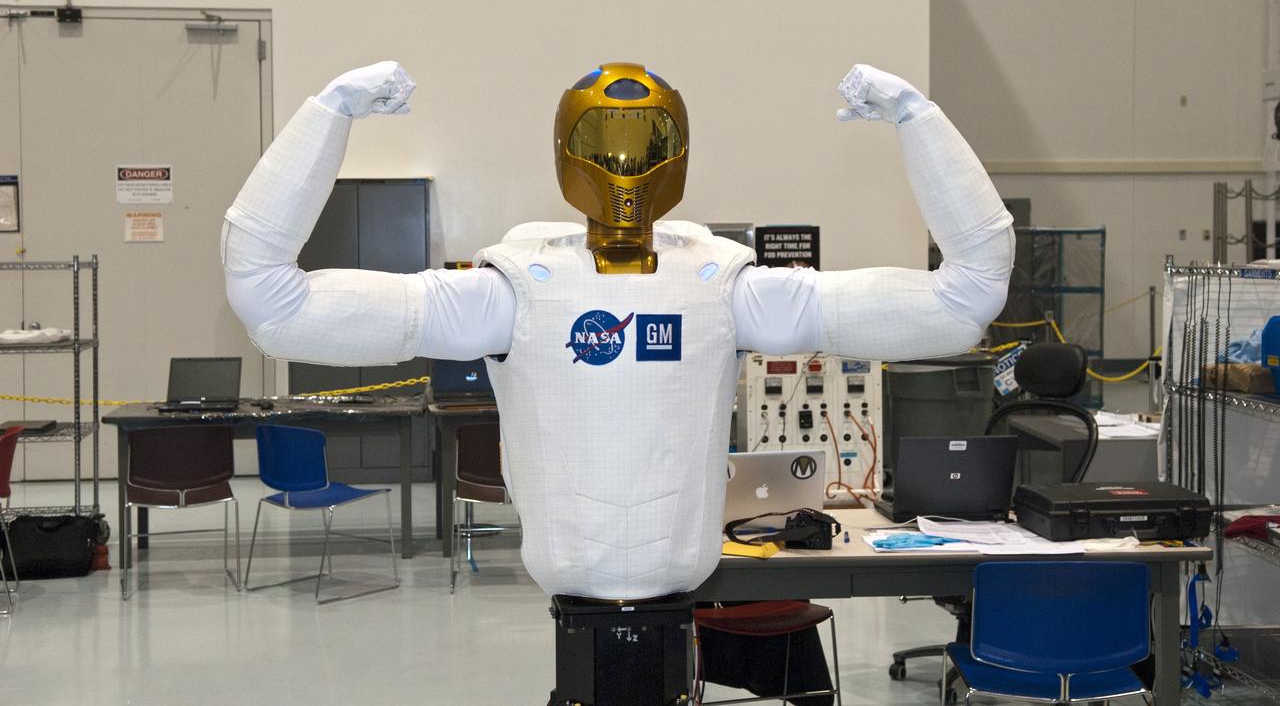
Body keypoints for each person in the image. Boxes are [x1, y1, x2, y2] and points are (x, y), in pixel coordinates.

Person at [222, 60, 1013, 601]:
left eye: (646, 145)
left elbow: (961, 301)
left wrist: (920, 118)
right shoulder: (515, 288)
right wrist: (324, 114)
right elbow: (275, 306)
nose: (626, 169)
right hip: (597, 573)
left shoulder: (718, 284)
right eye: (604, 145)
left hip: (668, 572)